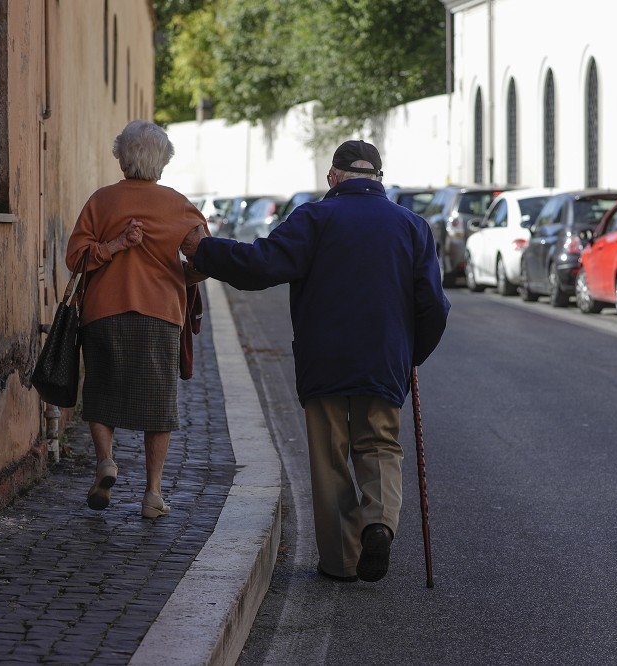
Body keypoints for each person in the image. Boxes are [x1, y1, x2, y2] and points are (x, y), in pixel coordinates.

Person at [181, 140, 450, 583]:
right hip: (383, 359)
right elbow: (434, 307)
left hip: (323, 359)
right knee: (380, 445)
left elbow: (261, 265)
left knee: (329, 458)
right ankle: (378, 524)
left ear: (333, 177)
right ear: (378, 178)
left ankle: (341, 562)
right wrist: (410, 354)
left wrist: (206, 251)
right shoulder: (412, 226)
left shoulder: (315, 217)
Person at [66, 119, 206, 519]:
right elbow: (205, 259)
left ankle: (106, 462)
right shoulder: (178, 205)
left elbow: (75, 258)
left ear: (122, 158)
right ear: (161, 162)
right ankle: (153, 494)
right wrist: (180, 275)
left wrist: (111, 246)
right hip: (160, 316)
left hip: (103, 313)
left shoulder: (101, 201)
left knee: (100, 395)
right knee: (158, 405)